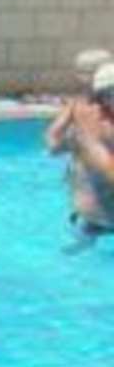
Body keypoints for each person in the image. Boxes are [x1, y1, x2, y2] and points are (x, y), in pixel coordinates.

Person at [50, 62, 114, 238]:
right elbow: (53, 145)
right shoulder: (90, 125)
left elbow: (52, 144)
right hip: (95, 221)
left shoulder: (81, 113)